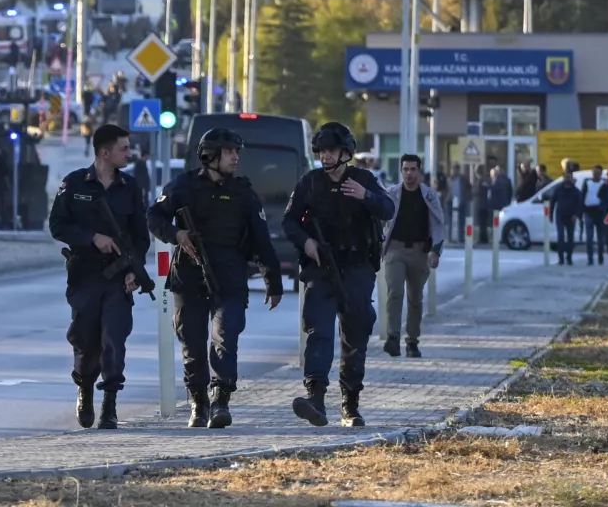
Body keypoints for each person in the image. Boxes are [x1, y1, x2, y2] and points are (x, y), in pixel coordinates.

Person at [147, 128, 284, 429]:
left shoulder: (243, 192)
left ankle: (221, 398)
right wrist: (176, 234)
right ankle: (198, 402)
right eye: (228, 151)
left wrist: (272, 280)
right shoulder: (182, 186)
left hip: (230, 276)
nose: (235, 157)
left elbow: (261, 240)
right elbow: (154, 216)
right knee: (192, 343)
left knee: (225, 337)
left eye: (236, 151)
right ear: (211, 155)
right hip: (189, 275)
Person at [282, 122, 395, 428]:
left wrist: (365, 196)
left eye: (331, 151)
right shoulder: (310, 182)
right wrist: (307, 243)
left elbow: (388, 208)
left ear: (346, 152)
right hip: (321, 269)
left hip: (357, 269)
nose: (326, 157)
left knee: (356, 333)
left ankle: (351, 403)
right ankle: (315, 398)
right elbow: (289, 221)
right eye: (321, 151)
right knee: (318, 330)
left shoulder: (364, 179)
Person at [48, 124, 151, 430]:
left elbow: (140, 237)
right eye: (124, 148)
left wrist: (135, 270)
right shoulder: (75, 183)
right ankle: (84, 389)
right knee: (85, 337)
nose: (129, 153)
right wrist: (91, 237)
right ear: (105, 152)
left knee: (113, 338)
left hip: (118, 277)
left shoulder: (130, 187)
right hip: (85, 273)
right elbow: (57, 225)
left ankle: (109, 404)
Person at [381, 154, 445, 359]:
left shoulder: (429, 196)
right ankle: (392, 337)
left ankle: (412, 341)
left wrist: (435, 250)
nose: (409, 174)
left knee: (415, 298)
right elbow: (380, 218)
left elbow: (438, 224)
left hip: (420, 251)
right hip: (395, 250)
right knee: (395, 292)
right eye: (405, 169)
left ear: (419, 171)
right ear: (401, 171)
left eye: (413, 169)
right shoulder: (392, 194)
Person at [549, 173, 583, 265]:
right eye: (565, 178)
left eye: (569, 178)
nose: (567, 179)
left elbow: (580, 205)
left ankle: (569, 258)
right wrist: (550, 215)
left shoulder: (576, 191)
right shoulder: (558, 189)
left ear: (572, 179)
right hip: (560, 215)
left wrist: (576, 215)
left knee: (570, 238)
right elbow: (552, 202)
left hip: (571, 216)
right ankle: (561, 259)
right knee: (560, 237)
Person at [580, 165, 606, 265]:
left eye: (598, 172)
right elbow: (582, 197)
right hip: (589, 211)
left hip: (600, 212)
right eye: (594, 172)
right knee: (589, 238)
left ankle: (600, 258)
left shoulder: (604, 183)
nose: (596, 174)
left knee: (601, 239)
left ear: (601, 173)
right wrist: (581, 212)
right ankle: (590, 259)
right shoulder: (587, 183)